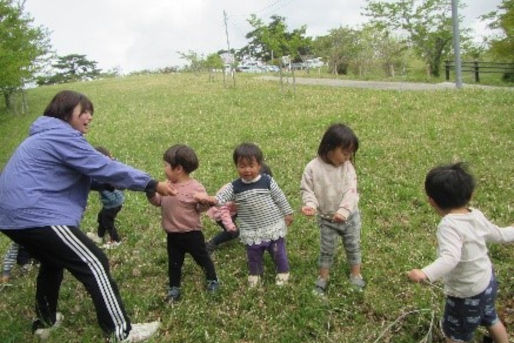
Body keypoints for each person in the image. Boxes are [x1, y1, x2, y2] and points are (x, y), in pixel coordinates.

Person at [0, 90, 176, 342]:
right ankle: (121, 332)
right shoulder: (61, 135)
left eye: (90, 112)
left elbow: (82, 175)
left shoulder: (43, 138)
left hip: (12, 217)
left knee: (53, 261)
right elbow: (103, 165)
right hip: (36, 213)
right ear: (64, 112)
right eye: (83, 111)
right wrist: (150, 183)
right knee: (94, 261)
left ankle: (45, 322)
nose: (89, 117)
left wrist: (109, 185)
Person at [407, 162, 513, 343]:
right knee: (491, 318)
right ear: (471, 194)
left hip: (466, 295)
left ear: (431, 201)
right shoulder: (475, 215)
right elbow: (500, 234)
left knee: (455, 335)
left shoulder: (449, 225)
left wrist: (425, 273)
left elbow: (450, 258)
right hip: (487, 282)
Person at [195, 143, 294, 287]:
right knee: (253, 254)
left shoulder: (267, 181)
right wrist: (211, 199)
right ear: (236, 166)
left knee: (278, 251)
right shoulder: (235, 186)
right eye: (242, 166)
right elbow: (220, 198)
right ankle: (255, 274)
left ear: (259, 165)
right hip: (251, 228)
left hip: (273, 225)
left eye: (251, 165)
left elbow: (280, 197)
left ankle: (283, 271)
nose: (247, 170)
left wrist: (288, 213)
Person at [147, 144, 219, 302]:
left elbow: (200, 208)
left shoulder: (196, 187)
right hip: (172, 235)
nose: (164, 168)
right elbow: (158, 202)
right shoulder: (167, 185)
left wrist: (205, 201)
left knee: (202, 258)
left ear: (178, 168)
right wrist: (151, 193)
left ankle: (212, 279)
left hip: (192, 233)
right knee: (174, 264)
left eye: (166, 165)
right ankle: (174, 288)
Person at [300, 123, 364, 296]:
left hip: (349, 218)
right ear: (329, 147)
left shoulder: (348, 168)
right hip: (327, 219)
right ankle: (322, 278)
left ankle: (356, 273)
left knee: (353, 245)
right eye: (344, 152)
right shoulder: (312, 168)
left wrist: (344, 211)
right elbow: (308, 190)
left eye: (350, 153)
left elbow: (351, 192)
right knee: (326, 249)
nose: (348, 157)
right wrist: (310, 205)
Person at [204, 162, 273, 255]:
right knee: (232, 233)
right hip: (221, 212)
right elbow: (223, 209)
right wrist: (230, 225)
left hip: (233, 209)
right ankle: (211, 244)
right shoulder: (236, 192)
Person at [86, 146, 125, 249]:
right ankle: (99, 236)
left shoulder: (103, 172)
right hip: (112, 203)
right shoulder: (111, 166)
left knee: (107, 221)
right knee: (101, 217)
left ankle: (116, 240)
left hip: (113, 204)